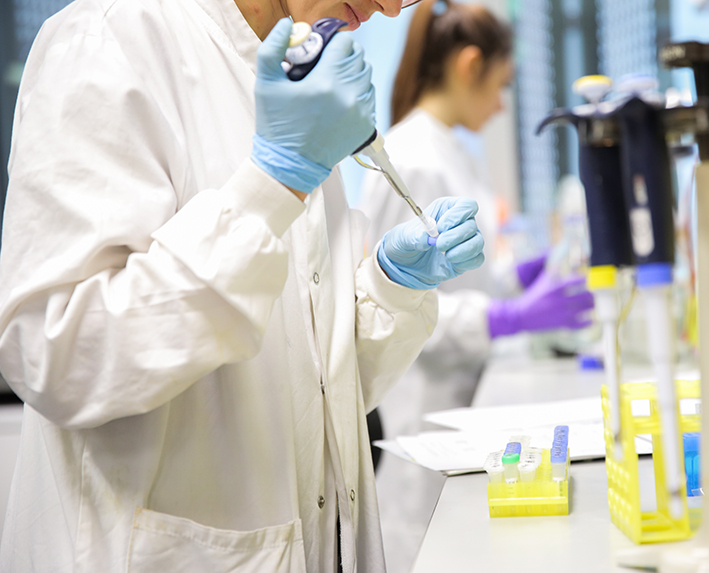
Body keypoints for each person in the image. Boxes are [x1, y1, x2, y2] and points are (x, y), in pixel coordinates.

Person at [0, 0, 485, 571]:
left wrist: (390, 287)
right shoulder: (108, 37)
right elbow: (57, 356)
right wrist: (273, 183)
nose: (392, 5)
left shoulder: (288, 75)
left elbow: (314, 395)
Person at [361, 0, 594, 425]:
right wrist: (511, 316)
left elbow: (461, 279)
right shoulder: (413, 156)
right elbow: (395, 304)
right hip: (423, 409)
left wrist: (521, 274)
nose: (503, 104)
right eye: (503, 84)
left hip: (463, 395)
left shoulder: (452, 151)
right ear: (470, 65)